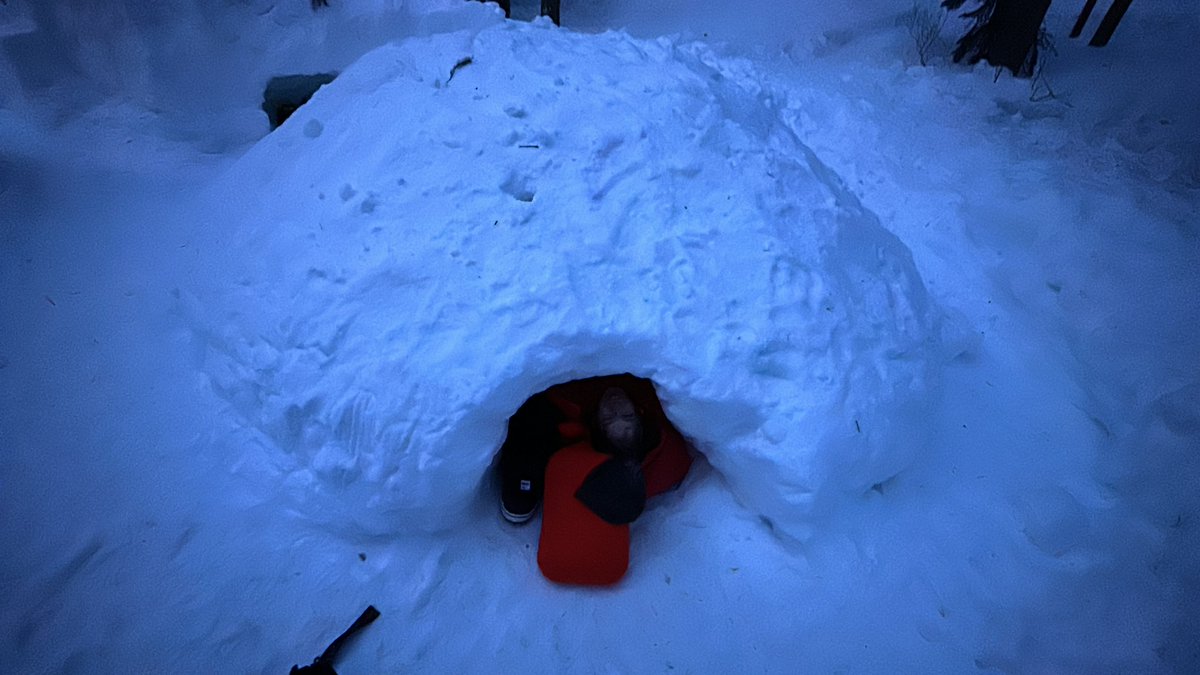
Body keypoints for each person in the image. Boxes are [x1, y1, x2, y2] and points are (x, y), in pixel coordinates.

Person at [497, 374, 691, 525]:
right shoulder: (648, 402)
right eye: (627, 415)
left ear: (597, 422)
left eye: (607, 418)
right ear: (639, 412)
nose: (615, 404)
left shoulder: (574, 399)